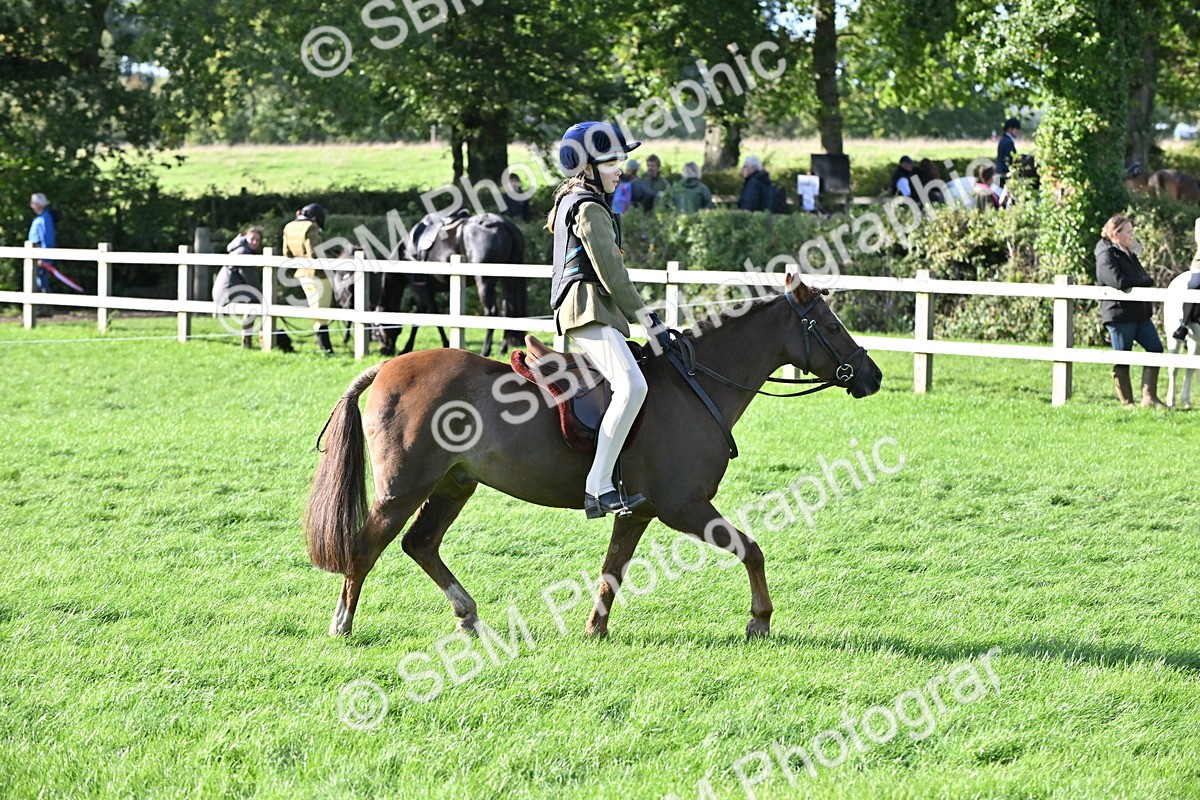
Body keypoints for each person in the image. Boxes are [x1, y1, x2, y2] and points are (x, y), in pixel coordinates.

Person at [547, 121, 668, 519]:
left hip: (593, 307)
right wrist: (648, 321)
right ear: (589, 167)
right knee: (632, 386)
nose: (621, 169)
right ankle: (598, 486)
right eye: (613, 161)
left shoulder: (580, 199)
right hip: (586, 307)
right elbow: (612, 274)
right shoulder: (588, 207)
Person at [1095, 214, 1167, 408]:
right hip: (1120, 314)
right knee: (1123, 356)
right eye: (1128, 232)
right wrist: (1144, 281)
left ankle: (1149, 398)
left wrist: (1143, 280)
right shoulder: (1105, 254)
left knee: (1155, 348)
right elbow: (1117, 281)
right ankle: (1127, 403)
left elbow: (1139, 275)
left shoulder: (1127, 251)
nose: (1131, 235)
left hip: (1140, 313)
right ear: (1116, 234)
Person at [282, 203, 334, 355]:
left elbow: (287, 253)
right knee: (322, 312)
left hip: (302, 275)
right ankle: (326, 348)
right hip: (317, 275)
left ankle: (325, 348)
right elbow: (314, 253)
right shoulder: (311, 227)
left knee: (315, 310)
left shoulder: (288, 226)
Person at [27, 192, 56, 292]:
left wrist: (44, 258)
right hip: (36, 256)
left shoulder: (44, 219)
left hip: (41, 258)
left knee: (42, 282)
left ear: (38, 205)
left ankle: (45, 307)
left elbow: (47, 240)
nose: (31, 206)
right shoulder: (40, 218)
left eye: (33, 203)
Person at [996, 117, 1021, 187]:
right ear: (1010, 129)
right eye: (1017, 129)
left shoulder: (1003, 140)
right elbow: (1011, 160)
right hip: (1004, 175)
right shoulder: (1008, 142)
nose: (1018, 131)